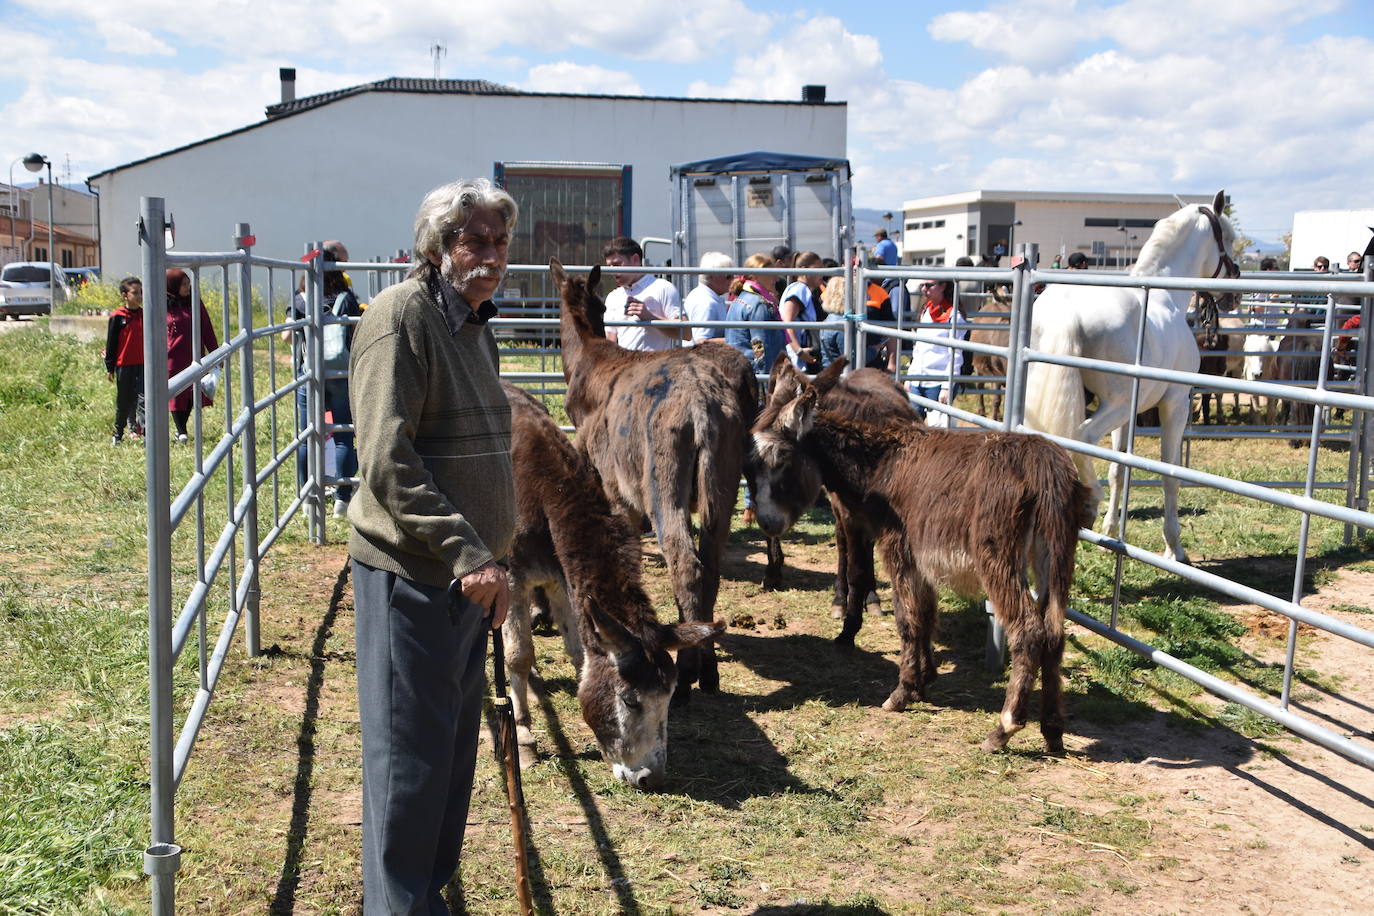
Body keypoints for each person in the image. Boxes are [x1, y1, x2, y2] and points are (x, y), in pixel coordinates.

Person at [347, 177, 515, 914]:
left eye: (500, 241)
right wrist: (468, 552)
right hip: (416, 577)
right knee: (409, 760)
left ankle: (427, 896)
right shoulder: (400, 321)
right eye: (474, 239)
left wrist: (489, 556)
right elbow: (388, 458)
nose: (491, 255)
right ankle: (400, 905)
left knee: (449, 757)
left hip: (467, 585)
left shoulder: (473, 324)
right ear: (436, 245)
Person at [165, 268, 219, 443]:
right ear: (173, 286)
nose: (187, 288)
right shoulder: (162, 304)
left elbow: (207, 327)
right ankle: (181, 431)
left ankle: (182, 428)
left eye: (189, 284)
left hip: (193, 355)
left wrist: (215, 352)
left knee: (191, 393)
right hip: (172, 356)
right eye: (183, 285)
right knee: (176, 394)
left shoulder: (195, 302)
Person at [601, 236, 683, 350]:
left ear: (635, 259)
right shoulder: (613, 297)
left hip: (657, 365)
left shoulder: (663, 288)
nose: (612, 271)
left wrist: (650, 317)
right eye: (609, 266)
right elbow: (610, 340)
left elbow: (686, 333)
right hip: (626, 366)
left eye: (617, 264)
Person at [904, 279, 966, 421]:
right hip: (918, 378)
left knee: (937, 427)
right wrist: (910, 377)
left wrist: (947, 386)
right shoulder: (925, 311)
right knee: (912, 424)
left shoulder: (954, 316)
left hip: (937, 380)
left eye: (929, 285)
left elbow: (956, 355)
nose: (924, 289)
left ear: (943, 286)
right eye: (923, 285)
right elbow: (918, 348)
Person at [725, 252, 786, 376]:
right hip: (755, 374)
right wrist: (764, 378)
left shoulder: (739, 299)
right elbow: (760, 344)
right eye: (770, 274)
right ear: (754, 277)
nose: (776, 279)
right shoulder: (759, 304)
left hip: (738, 370)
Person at [105, 277, 145, 444]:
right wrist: (110, 367)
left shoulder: (145, 314)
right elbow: (111, 343)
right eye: (135, 293)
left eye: (141, 292)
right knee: (124, 401)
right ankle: (118, 434)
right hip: (125, 366)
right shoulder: (117, 317)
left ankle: (145, 434)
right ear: (124, 295)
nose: (139, 296)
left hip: (144, 365)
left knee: (145, 401)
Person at [779, 250, 823, 371]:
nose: (822, 273)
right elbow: (786, 321)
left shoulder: (801, 289)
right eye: (817, 269)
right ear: (804, 270)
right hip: (799, 360)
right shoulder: (800, 289)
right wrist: (798, 350)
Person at [683, 251, 733, 345]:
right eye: (728, 276)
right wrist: (737, 340)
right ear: (712, 276)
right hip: (701, 358)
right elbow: (701, 342)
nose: (733, 279)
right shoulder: (706, 303)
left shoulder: (704, 296)